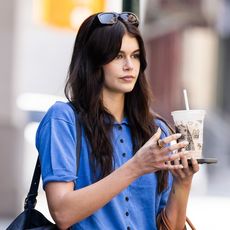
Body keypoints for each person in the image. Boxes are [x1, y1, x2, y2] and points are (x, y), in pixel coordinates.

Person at [36, 12, 199, 230]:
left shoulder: (156, 131)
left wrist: (183, 182)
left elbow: (168, 227)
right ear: (94, 62)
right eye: (118, 56)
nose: (130, 66)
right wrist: (136, 167)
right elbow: (62, 213)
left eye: (136, 55)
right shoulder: (63, 120)